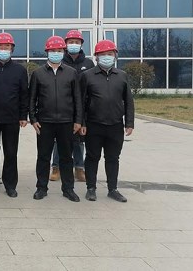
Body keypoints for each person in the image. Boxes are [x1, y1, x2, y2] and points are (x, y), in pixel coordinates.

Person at [29, 35, 82, 202]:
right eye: (53, 50)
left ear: (63, 52)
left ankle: (68, 189)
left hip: (66, 122)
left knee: (66, 157)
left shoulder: (71, 73)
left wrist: (78, 120)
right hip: (44, 122)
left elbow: (77, 98)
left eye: (59, 50)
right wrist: (33, 119)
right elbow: (32, 98)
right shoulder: (38, 73)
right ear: (47, 52)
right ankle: (41, 188)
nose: (56, 53)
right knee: (43, 157)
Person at [81, 40, 135, 203]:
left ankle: (113, 189)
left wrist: (129, 123)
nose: (106, 57)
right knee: (92, 157)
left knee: (113, 158)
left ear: (115, 56)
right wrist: (82, 123)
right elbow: (81, 102)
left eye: (110, 54)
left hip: (115, 125)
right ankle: (91, 188)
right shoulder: (87, 75)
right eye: (103, 54)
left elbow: (128, 100)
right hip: (93, 124)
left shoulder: (122, 75)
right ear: (96, 57)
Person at [0, 33, 29, 198]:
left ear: (12, 49)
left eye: (7, 46)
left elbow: (24, 94)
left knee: (11, 153)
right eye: (0, 46)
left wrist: (23, 115)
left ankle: (10, 185)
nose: (3, 49)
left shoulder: (20, 70)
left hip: (12, 119)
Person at [50, 30, 95, 183]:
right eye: (70, 42)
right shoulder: (60, 61)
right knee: (59, 139)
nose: (73, 44)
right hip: (63, 105)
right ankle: (56, 167)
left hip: (82, 105)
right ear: (65, 45)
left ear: (81, 44)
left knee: (79, 139)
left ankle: (79, 168)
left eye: (76, 42)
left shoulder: (88, 63)